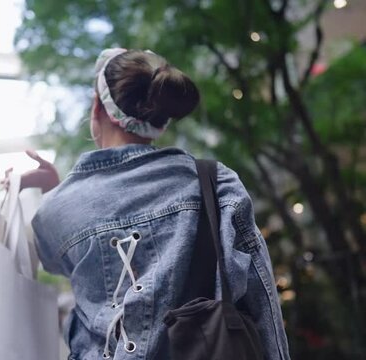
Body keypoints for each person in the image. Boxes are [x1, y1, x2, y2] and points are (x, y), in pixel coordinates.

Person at [15, 49, 290, 359]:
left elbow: (55, 257)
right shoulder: (216, 183)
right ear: (161, 121)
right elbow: (261, 304)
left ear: (97, 108)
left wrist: (56, 190)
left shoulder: (59, 211)